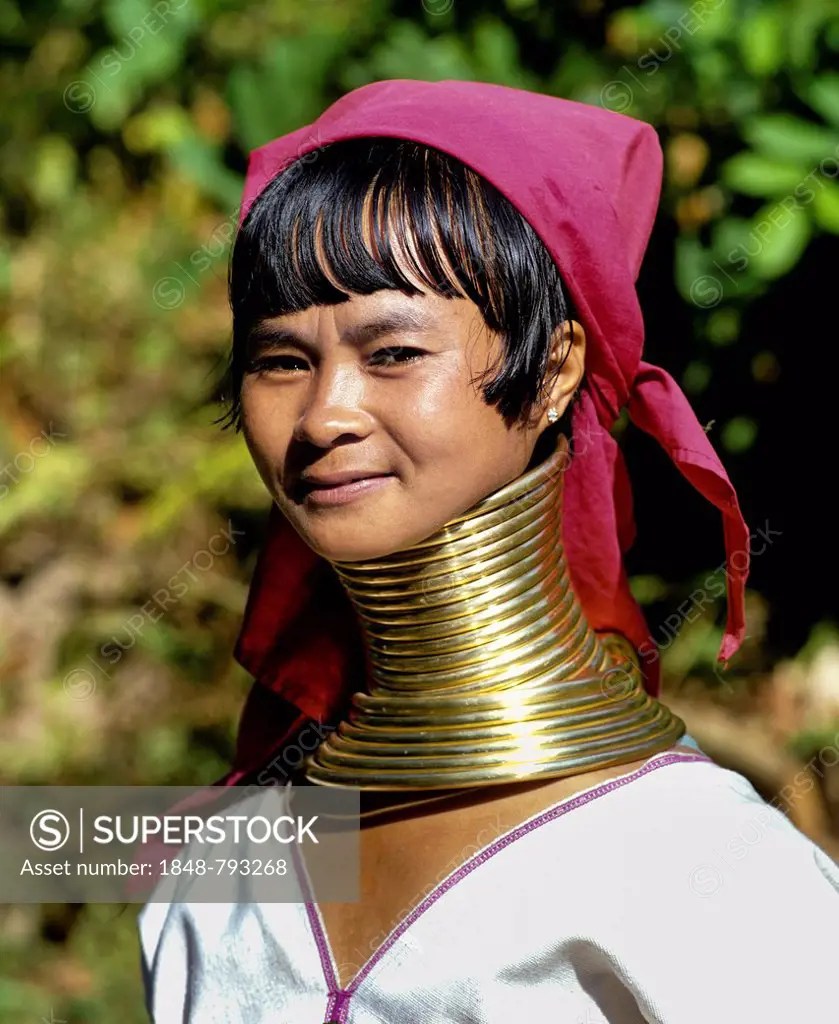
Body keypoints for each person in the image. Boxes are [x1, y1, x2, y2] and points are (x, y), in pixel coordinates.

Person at [137, 79, 839, 1023]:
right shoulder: (221, 872)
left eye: (392, 354)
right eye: (280, 360)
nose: (324, 416)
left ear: (554, 372)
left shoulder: (700, 865)